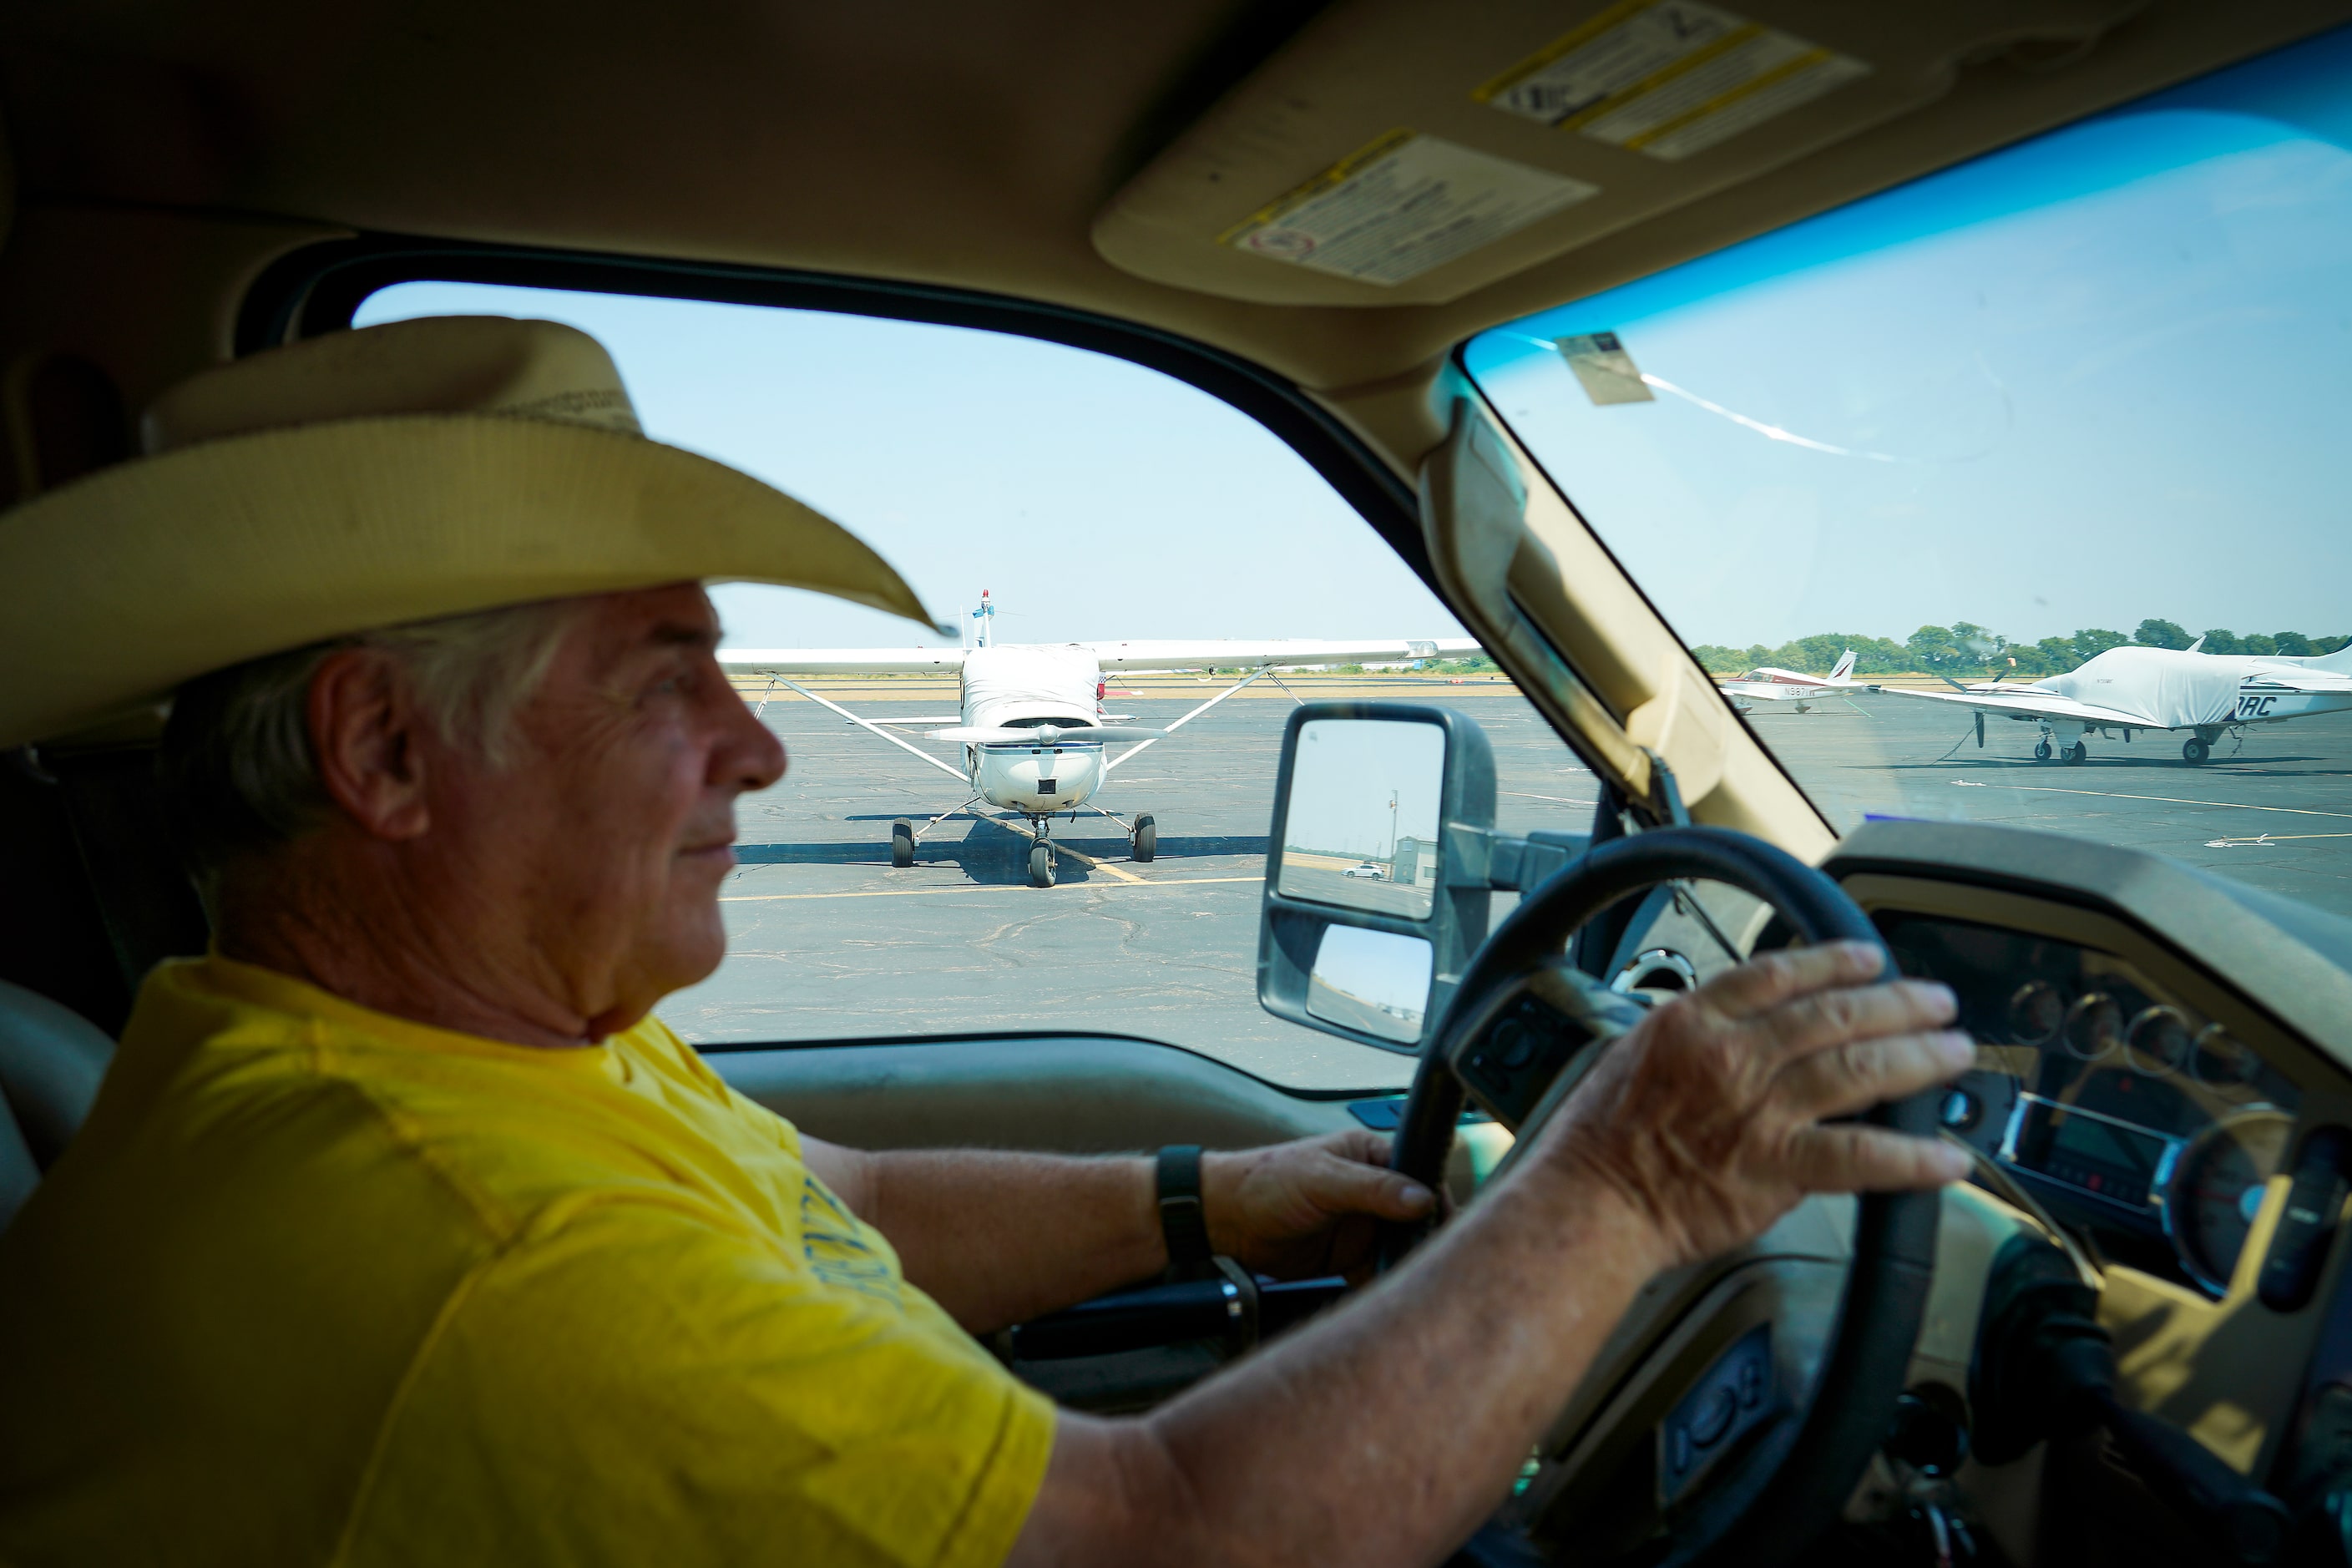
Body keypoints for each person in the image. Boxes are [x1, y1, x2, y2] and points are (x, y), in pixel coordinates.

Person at [0, 316, 1972, 1567]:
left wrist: (1217, 1193)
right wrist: (1626, 1177)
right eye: (665, 675)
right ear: (383, 750)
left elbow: (823, 1193)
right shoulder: (489, 1258)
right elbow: (1166, 1545)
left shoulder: (386, 1050)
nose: (758, 746)